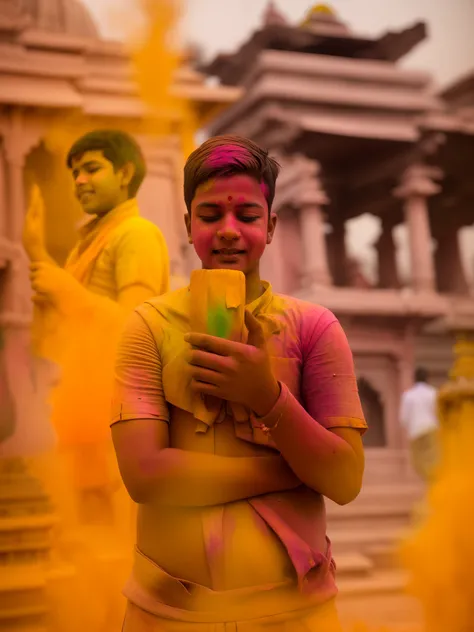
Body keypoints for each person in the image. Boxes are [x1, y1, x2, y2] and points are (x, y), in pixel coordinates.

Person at [111, 135, 367, 631]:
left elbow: (345, 480)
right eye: (210, 216)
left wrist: (266, 398)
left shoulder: (314, 328)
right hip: (167, 615)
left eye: (247, 216)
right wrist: (289, 470)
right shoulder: (148, 326)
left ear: (270, 227)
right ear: (188, 226)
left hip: (297, 616)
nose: (229, 232)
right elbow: (145, 474)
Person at [22, 128, 170, 523]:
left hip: (118, 420)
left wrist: (63, 290)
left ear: (124, 173)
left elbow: (134, 326)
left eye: (91, 168)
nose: (79, 181)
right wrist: (37, 252)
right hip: (81, 414)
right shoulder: (87, 244)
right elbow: (70, 328)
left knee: (114, 542)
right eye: (74, 173)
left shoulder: (135, 234)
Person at [400, 367, 439, 483]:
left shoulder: (408, 395)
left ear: (414, 379)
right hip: (432, 429)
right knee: (432, 459)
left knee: (418, 461)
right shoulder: (434, 393)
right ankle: (432, 482)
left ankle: (428, 481)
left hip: (415, 431)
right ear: (427, 378)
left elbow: (403, 418)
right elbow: (439, 413)